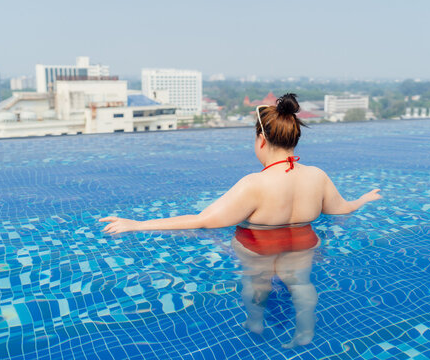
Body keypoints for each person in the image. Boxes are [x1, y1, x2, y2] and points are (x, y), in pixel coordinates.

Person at [99, 93, 382, 347]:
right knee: (301, 284)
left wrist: (135, 224)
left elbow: (202, 220)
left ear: (261, 140)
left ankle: (255, 323)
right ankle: (306, 331)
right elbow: (341, 209)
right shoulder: (317, 176)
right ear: (293, 138)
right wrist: (364, 199)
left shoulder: (255, 184)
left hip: (259, 249)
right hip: (304, 244)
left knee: (257, 285)